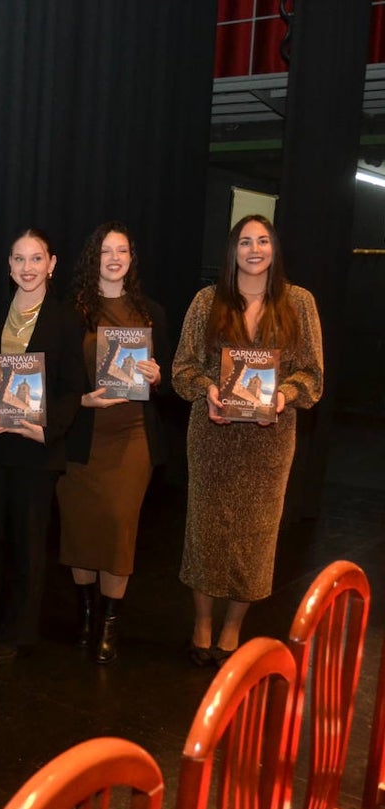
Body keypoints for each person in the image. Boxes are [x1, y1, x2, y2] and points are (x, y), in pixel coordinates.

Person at [172, 214, 323, 666]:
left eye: (262, 241)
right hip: (212, 437)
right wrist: (209, 390)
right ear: (231, 250)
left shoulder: (299, 303)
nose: (253, 249)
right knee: (206, 533)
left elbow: (312, 376)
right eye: (244, 242)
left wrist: (282, 396)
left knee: (256, 540)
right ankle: (201, 623)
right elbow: (183, 369)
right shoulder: (206, 302)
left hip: (269, 443)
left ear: (274, 248)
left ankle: (234, 626)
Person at [0, 228, 85, 666]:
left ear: (52, 264)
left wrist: (45, 429)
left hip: (36, 449)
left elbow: (73, 389)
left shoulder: (68, 320)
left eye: (36, 259)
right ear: (8, 266)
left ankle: (18, 630)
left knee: (29, 545)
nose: (27, 268)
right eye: (19, 259)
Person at [56, 222, 171, 665]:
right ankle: (86, 614)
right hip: (84, 437)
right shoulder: (71, 312)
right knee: (81, 531)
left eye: (123, 250)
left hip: (132, 436)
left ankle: (109, 624)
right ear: (94, 258)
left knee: (119, 527)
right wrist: (81, 399)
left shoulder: (152, 313)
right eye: (106, 250)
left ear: (131, 258)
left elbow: (169, 380)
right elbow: (59, 378)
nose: (115, 257)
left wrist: (158, 377)